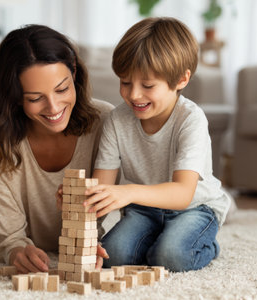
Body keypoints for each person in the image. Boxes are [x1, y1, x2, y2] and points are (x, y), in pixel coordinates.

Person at [0, 24, 113, 273]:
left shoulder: (106, 121)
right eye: (35, 98)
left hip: (18, 186)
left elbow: (108, 206)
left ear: (75, 73)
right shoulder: (1, 138)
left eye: (62, 89)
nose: (53, 107)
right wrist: (14, 249)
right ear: (15, 96)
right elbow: (9, 239)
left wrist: (92, 242)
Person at [82, 17, 232, 272]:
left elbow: (183, 194)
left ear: (181, 80)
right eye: (125, 82)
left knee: (172, 256)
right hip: (144, 210)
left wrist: (128, 193)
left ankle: (207, 244)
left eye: (148, 85)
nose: (133, 95)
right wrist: (89, 235)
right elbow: (102, 189)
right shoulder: (116, 120)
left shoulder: (191, 119)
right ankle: (158, 240)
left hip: (194, 208)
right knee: (112, 256)